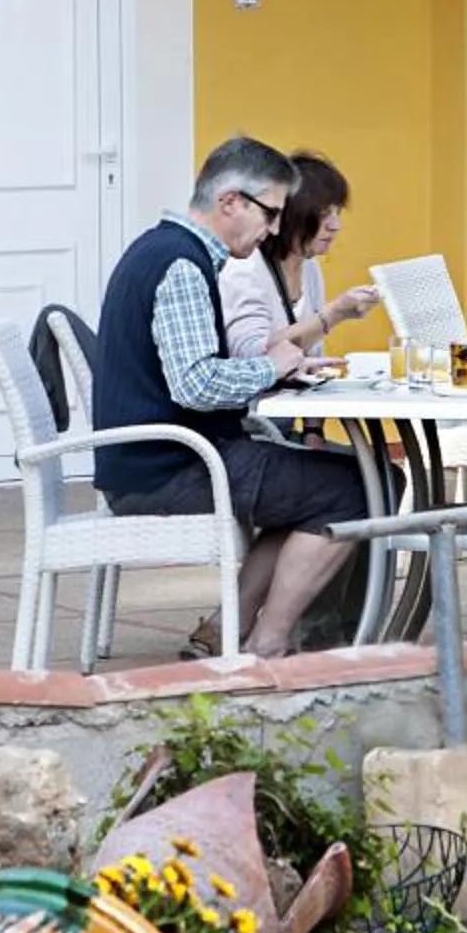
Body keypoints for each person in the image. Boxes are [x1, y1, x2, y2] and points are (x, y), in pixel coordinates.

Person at [90, 136, 369, 658]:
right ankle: (269, 641)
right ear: (230, 202)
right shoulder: (181, 264)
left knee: (323, 484)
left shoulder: (161, 249)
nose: (275, 229)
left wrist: (277, 368)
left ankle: (231, 626)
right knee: (354, 487)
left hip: (155, 461)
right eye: (271, 214)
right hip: (168, 471)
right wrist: (271, 365)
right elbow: (194, 385)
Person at [220, 151, 380, 361]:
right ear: (289, 214)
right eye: (323, 214)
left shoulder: (309, 265)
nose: (335, 226)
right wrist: (333, 314)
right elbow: (253, 355)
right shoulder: (244, 268)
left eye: (337, 212)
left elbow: (311, 352)